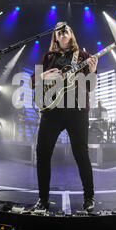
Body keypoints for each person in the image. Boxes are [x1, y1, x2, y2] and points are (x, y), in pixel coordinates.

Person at [30, 22, 98, 212]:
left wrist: (92, 72)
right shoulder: (49, 57)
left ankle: (89, 197)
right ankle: (43, 199)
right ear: (55, 37)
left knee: (81, 155)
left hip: (76, 111)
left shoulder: (83, 57)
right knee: (42, 154)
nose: (62, 32)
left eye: (65, 29)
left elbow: (90, 87)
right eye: (58, 31)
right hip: (51, 111)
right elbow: (31, 81)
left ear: (71, 34)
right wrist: (43, 76)